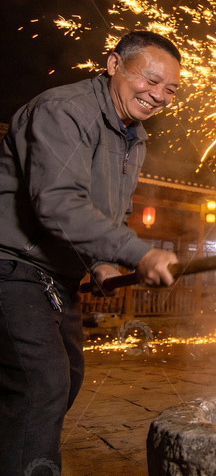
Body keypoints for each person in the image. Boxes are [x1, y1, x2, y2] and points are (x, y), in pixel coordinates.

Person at [0, 31, 182, 474]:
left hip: (57, 280)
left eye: (170, 89)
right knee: (42, 383)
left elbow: (107, 211)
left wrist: (100, 263)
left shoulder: (133, 139)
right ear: (114, 64)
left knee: (67, 379)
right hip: (12, 267)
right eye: (150, 80)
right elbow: (58, 203)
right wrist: (138, 253)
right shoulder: (65, 110)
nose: (158, 95)